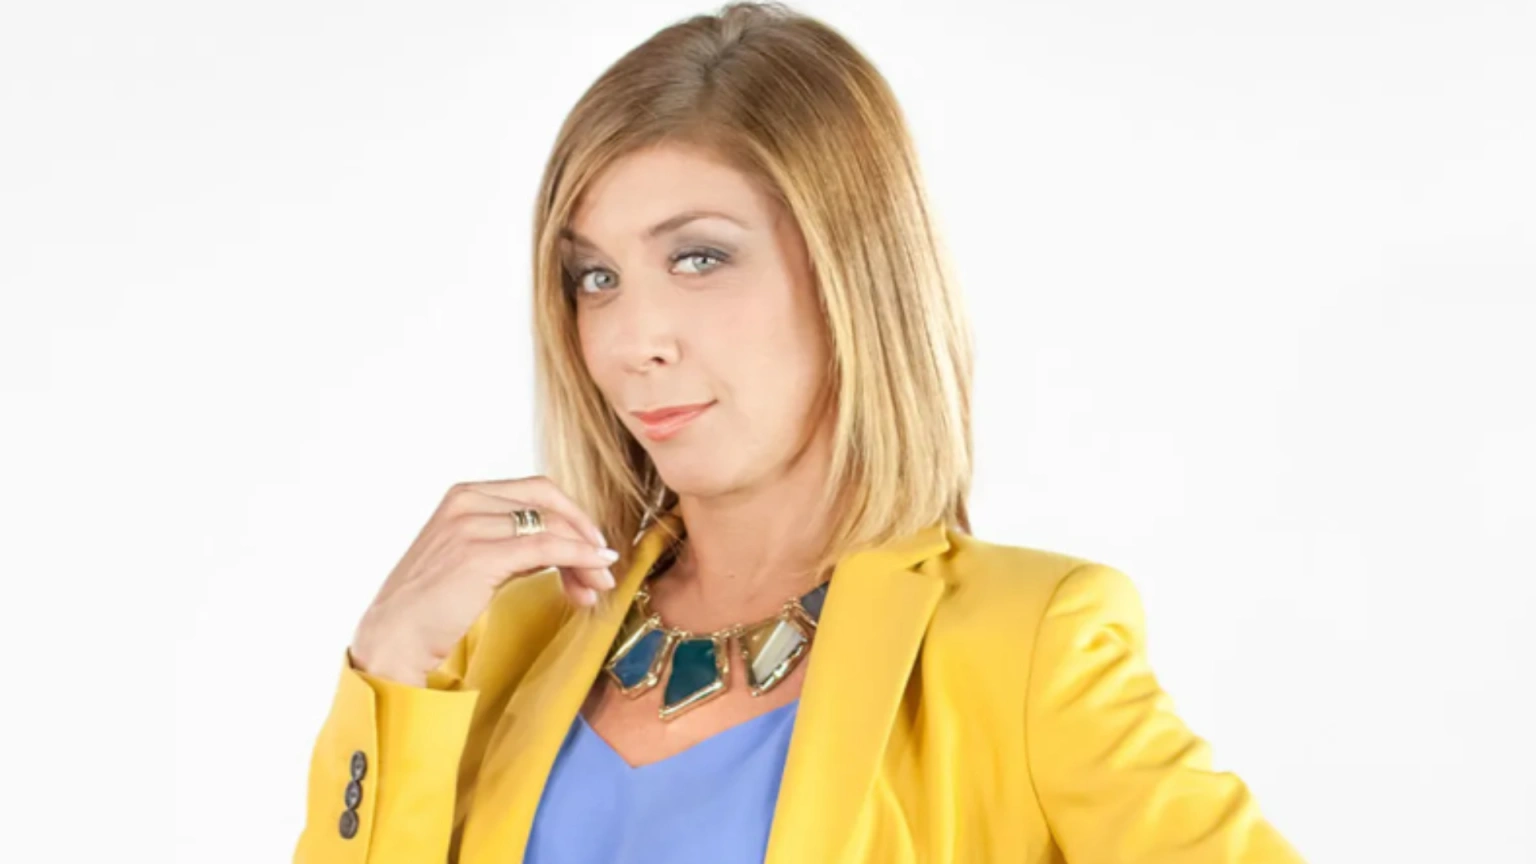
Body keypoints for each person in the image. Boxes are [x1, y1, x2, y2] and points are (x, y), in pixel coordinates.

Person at [293, 3, 1305, 862]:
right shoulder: (504, 638)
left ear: (849, 274)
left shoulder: (1026, 643)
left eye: (698, 258)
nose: (633, 341)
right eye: (595, 277)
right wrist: (389, 661)